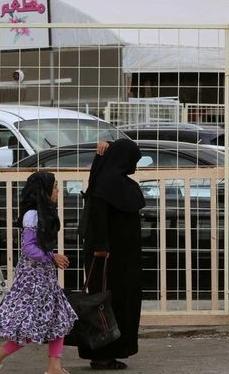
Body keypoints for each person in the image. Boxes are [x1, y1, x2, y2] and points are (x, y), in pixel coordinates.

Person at [0, 171, 78, 374]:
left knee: (58, 318)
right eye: (54, 186)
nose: (58, 190)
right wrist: (52, 256)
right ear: (43, 191)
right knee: (31, 323)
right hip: (33, 279)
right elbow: (29, 248)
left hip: (45, 276)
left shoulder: (44, 213)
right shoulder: (32, 215)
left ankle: (54, 366)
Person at [77, 138, 145, 370]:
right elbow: (98, 211)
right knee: (106, 304)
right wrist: (101, 246)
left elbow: (95, 181)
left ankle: (110, 352)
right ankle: (102, 354)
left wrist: (99, 157)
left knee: (116, 303)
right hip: (108, 258)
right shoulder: (108, 184)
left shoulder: (110, 181)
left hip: (122, 258)